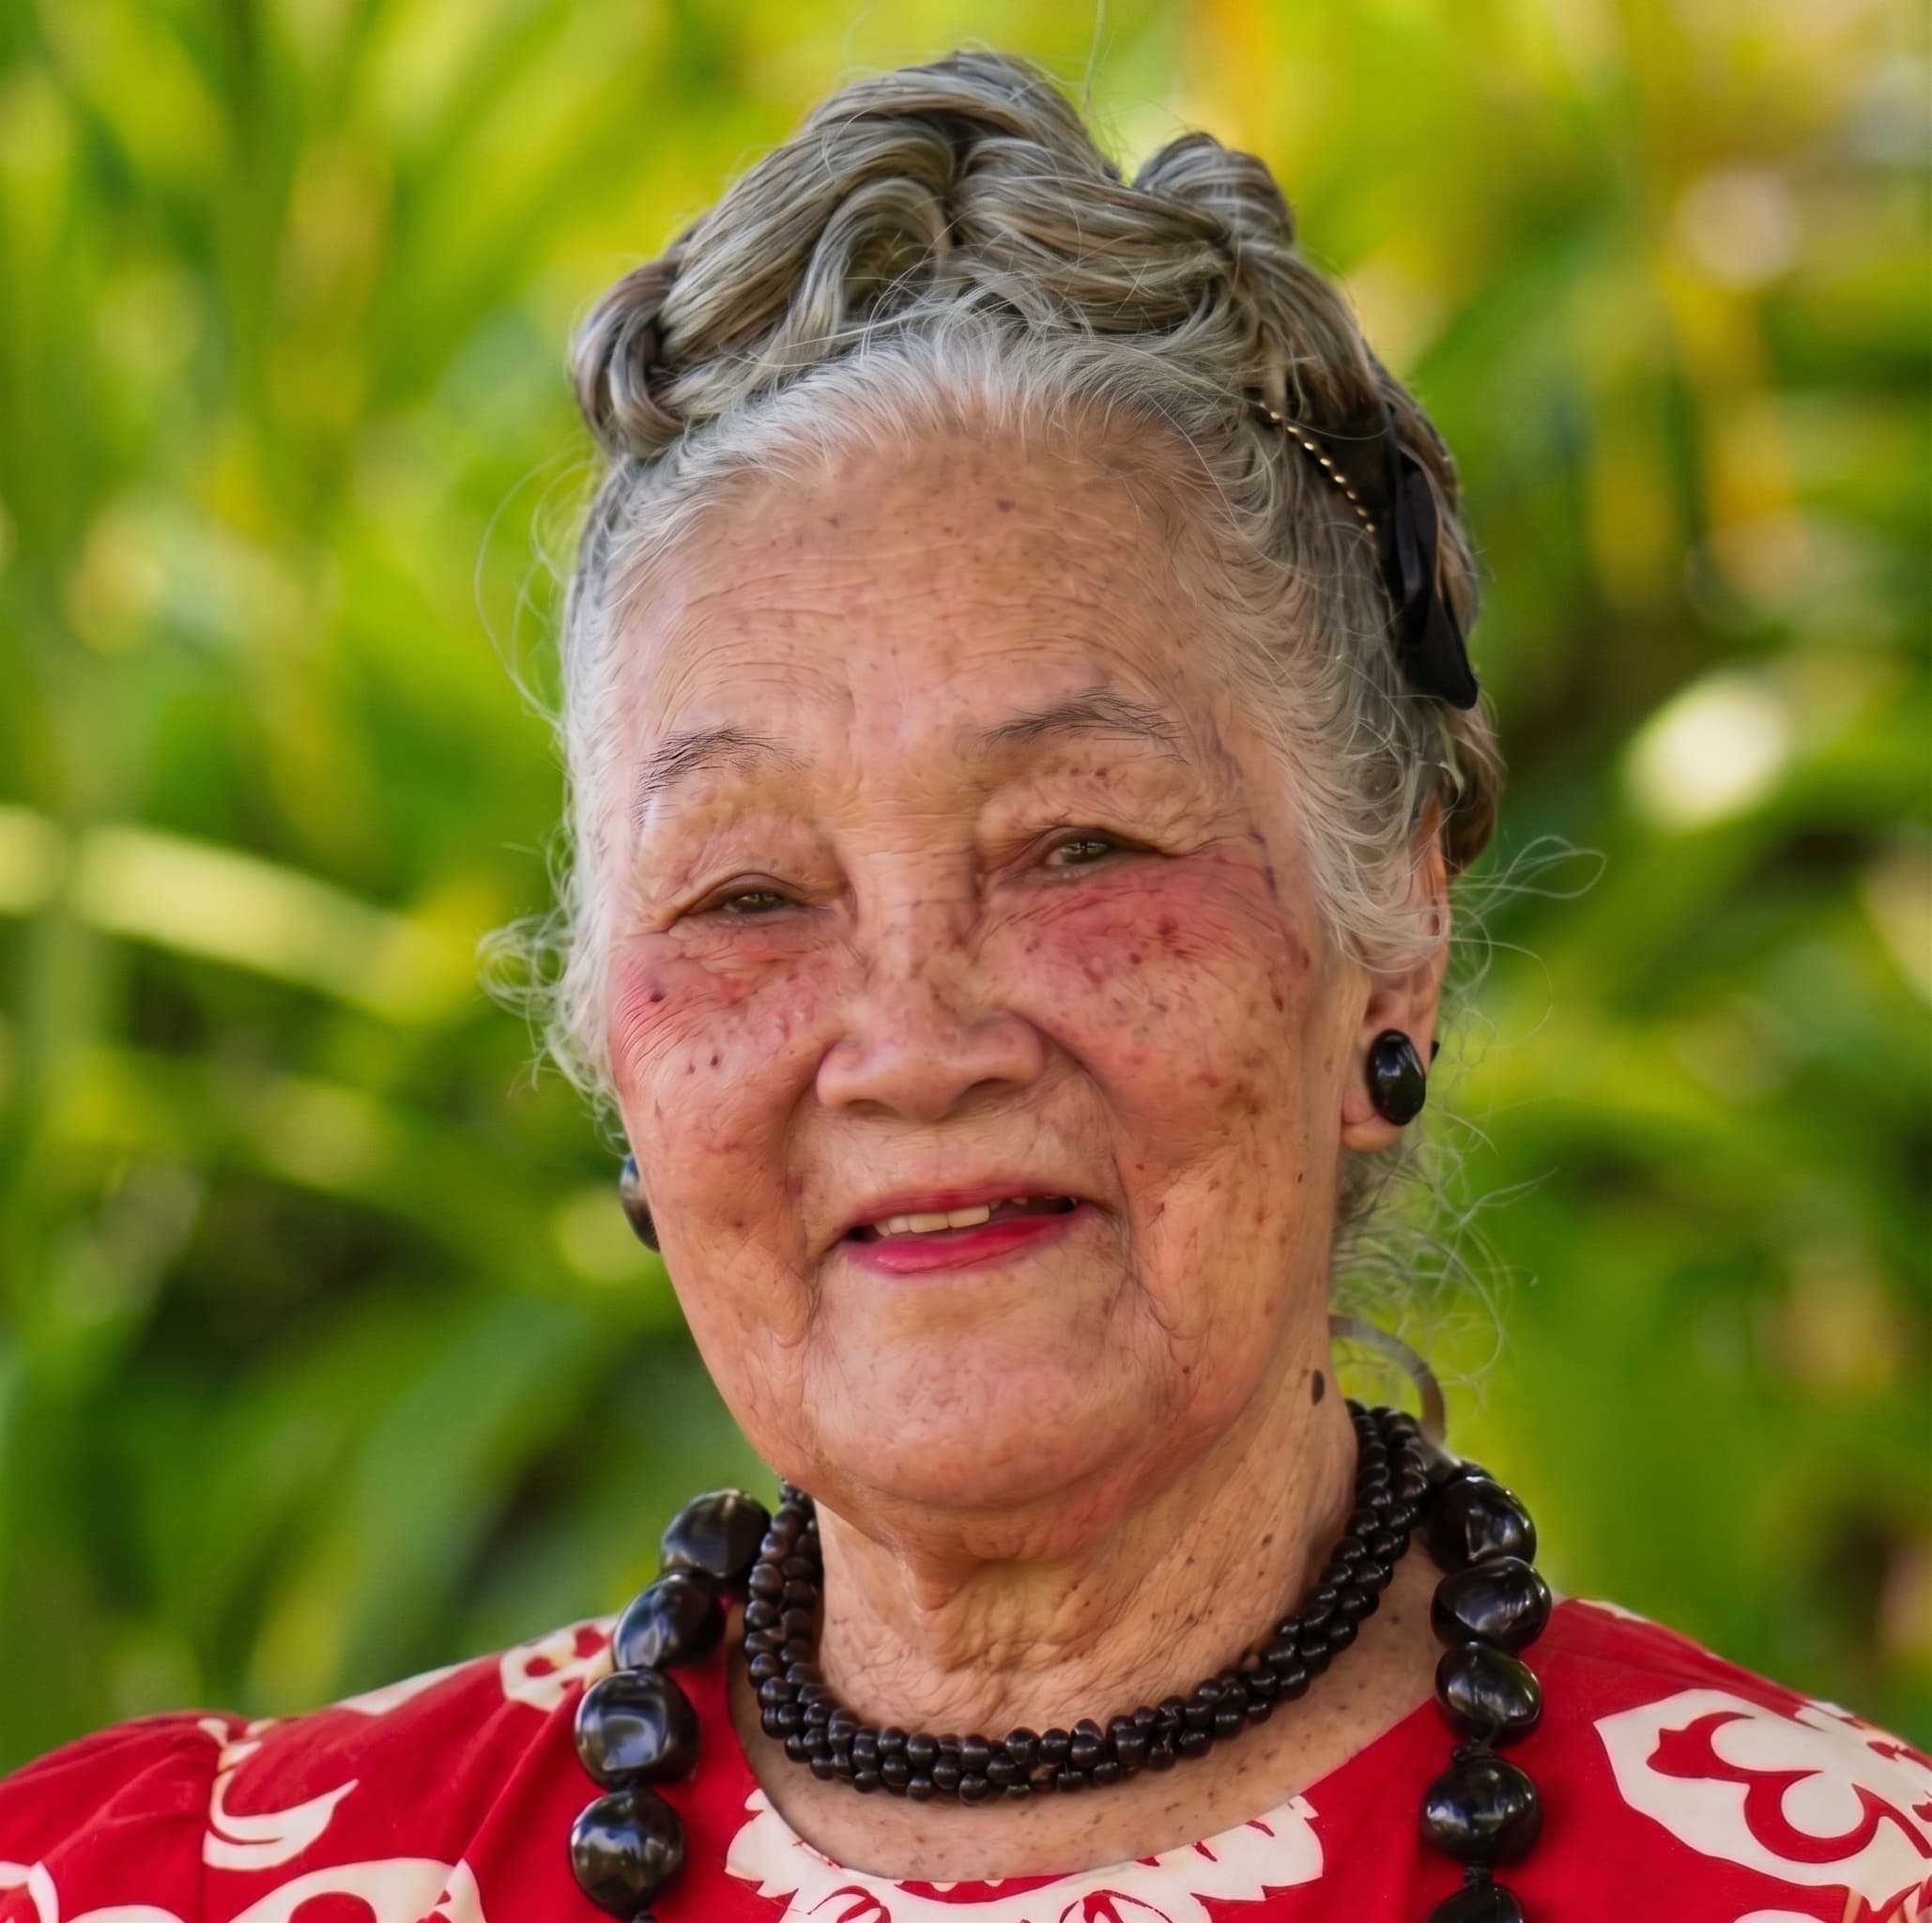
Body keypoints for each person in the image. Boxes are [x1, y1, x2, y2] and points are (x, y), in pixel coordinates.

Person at [2, 49, 1924, 1923]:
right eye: (749, 891)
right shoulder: (149, 1888)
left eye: (1079, 845)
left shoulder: (1830, 1884)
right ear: (614, 1043)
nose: (912, 1043)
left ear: (1390, 941)